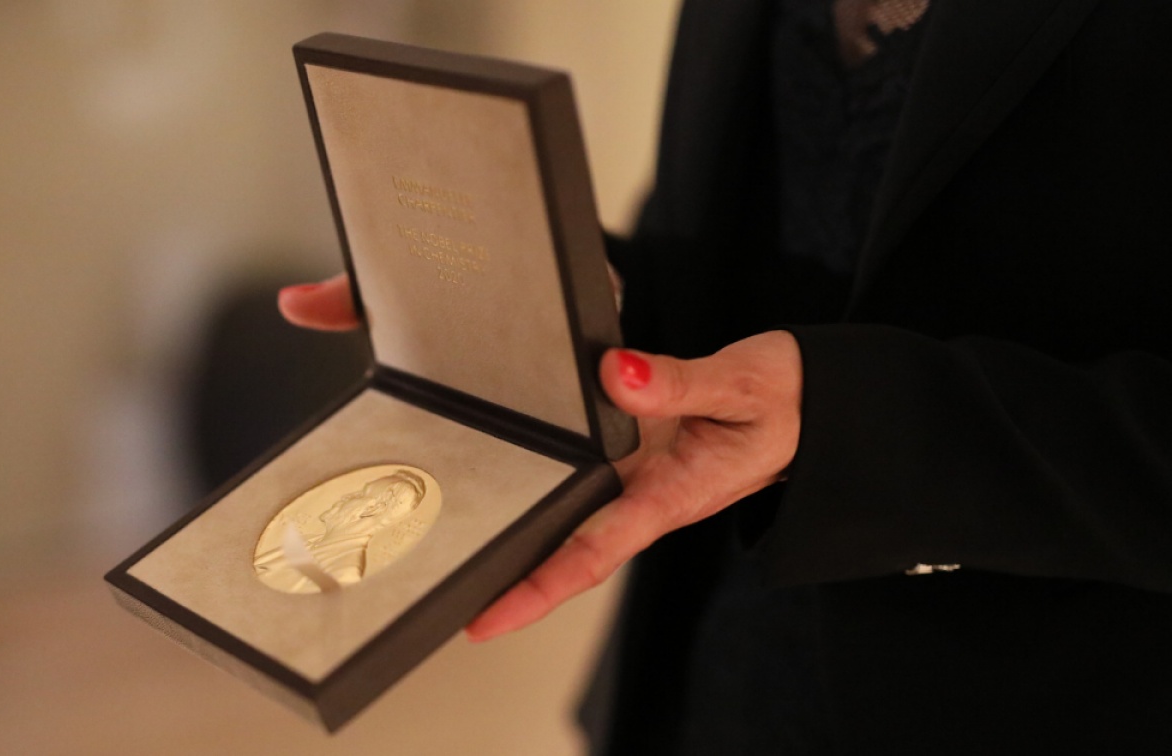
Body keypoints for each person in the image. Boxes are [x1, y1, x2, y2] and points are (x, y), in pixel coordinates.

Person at [280, 0, 1172, 752]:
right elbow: (739, 244)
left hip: (1036, 696)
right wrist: (565, 303)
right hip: (702, 676)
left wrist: (851, 424)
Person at [254, 470, 427, 593]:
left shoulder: (342, 574)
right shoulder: (306, 541)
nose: (346, 496)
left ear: (372, 510)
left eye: (360, 494)